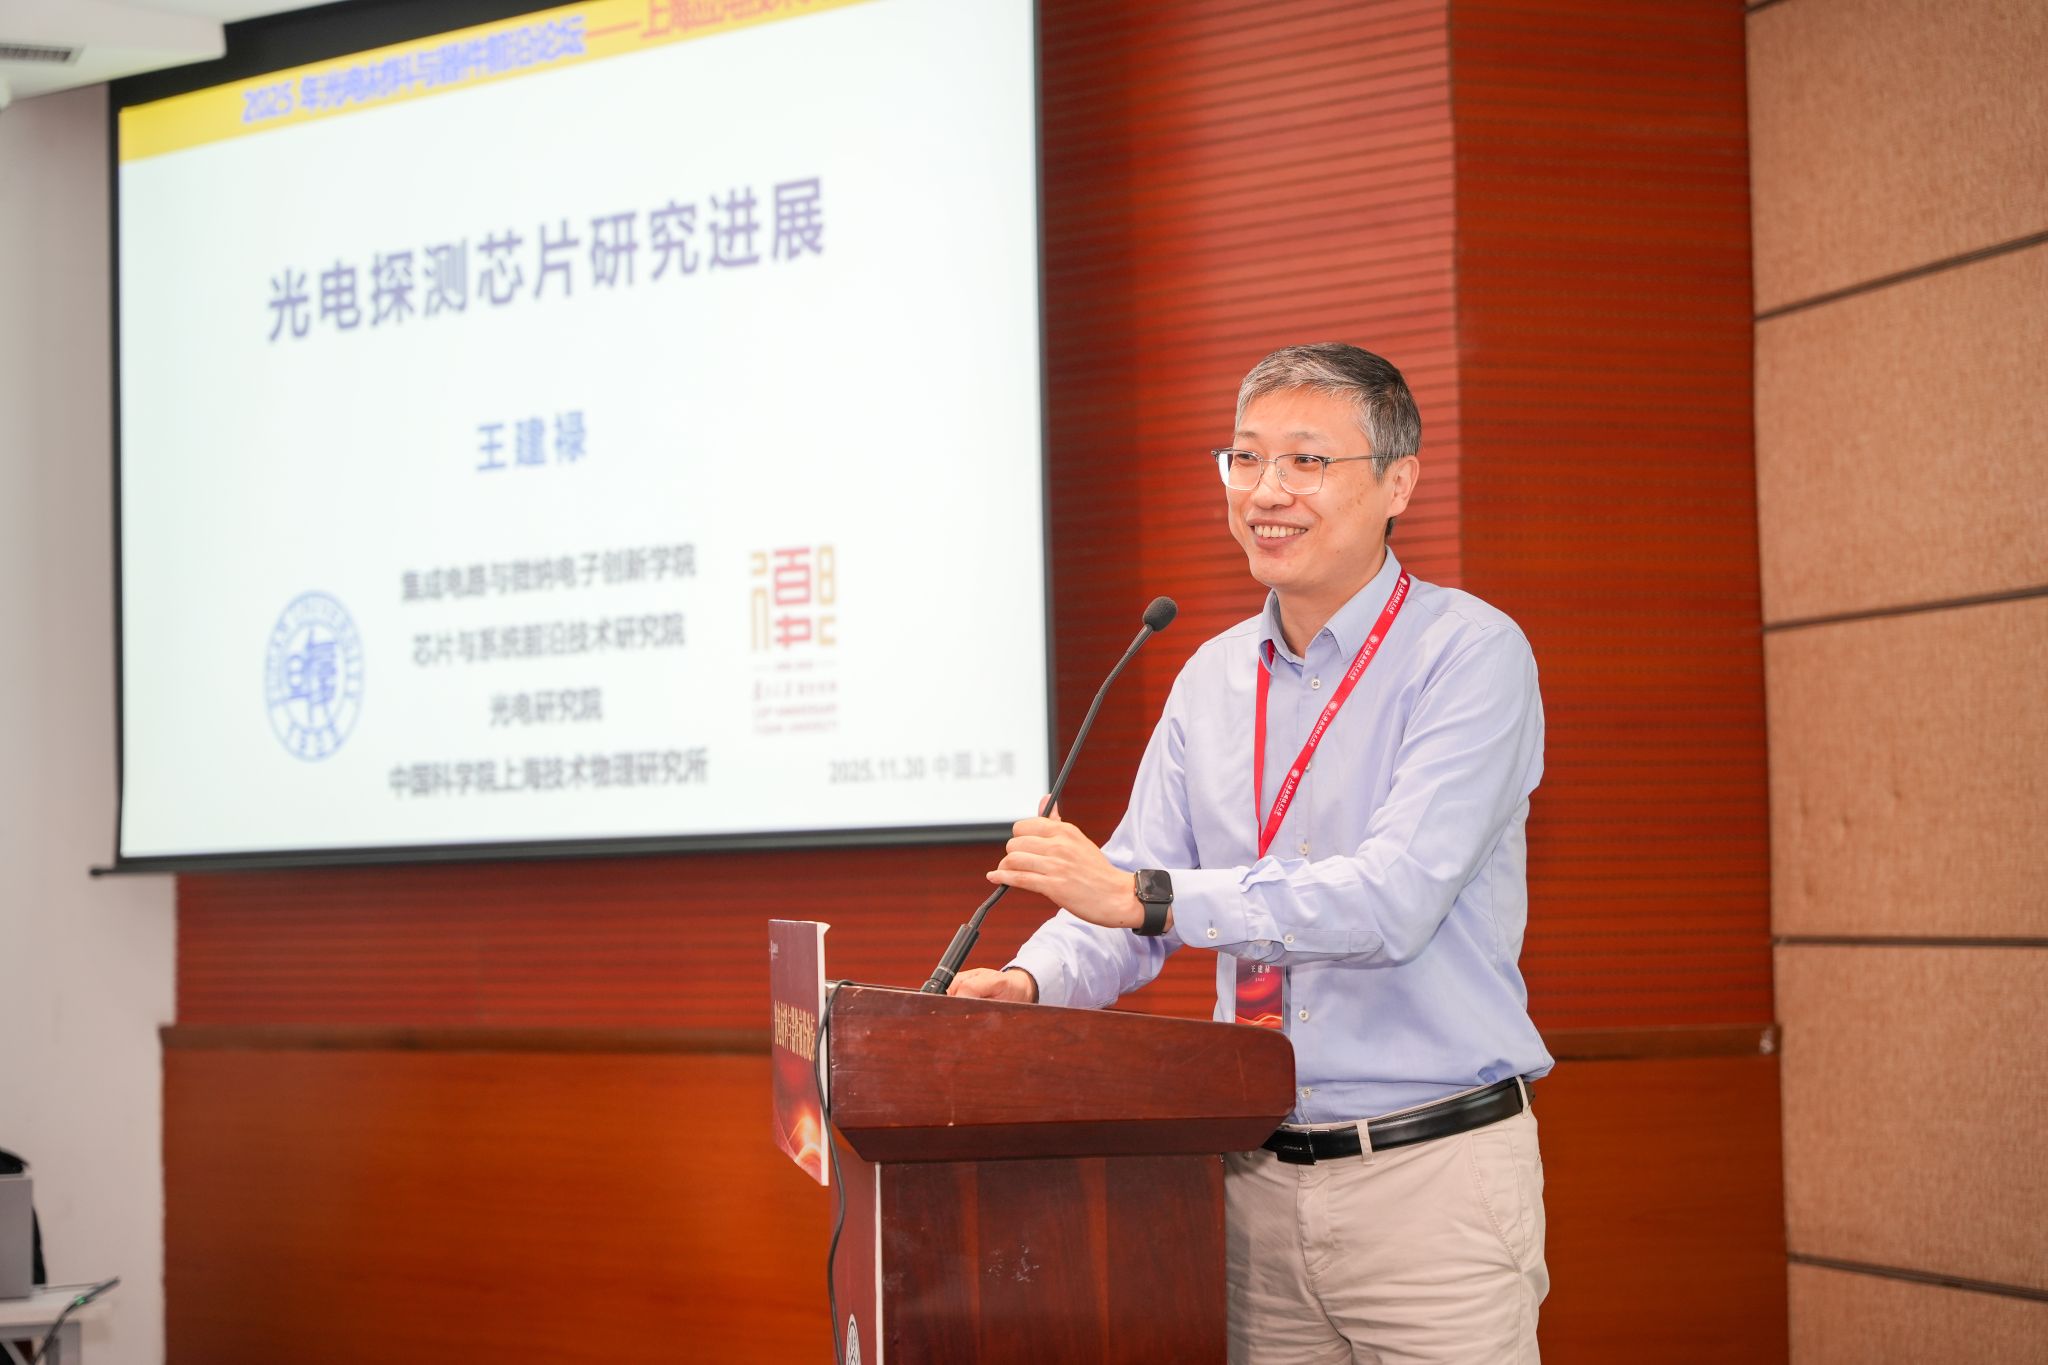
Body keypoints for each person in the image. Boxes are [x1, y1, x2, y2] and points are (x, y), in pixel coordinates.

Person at [949, 343, 1552, 1363]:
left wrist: (1142, 895)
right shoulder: (1211, 677)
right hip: (1249, 1179)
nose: (1266, 491)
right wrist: (1028, 982)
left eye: (1306, 461)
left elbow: (1389, 900)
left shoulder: (1469, 654)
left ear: (1398, 481)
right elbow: (1129, 894)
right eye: (1244, 458)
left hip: (1429, 1180)